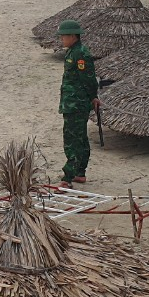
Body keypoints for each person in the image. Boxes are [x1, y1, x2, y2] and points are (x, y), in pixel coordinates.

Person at [55, 20, 99, 188]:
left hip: (77, 103)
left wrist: (93, 96)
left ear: (72, 36)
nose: (62, 40)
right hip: (72, 102)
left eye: (63, 37)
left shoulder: (80, 54)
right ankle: (80, 172)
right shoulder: (73, 51)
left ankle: (68, 176)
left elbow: (88, 78)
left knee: (72, 138)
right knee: (80, 137)